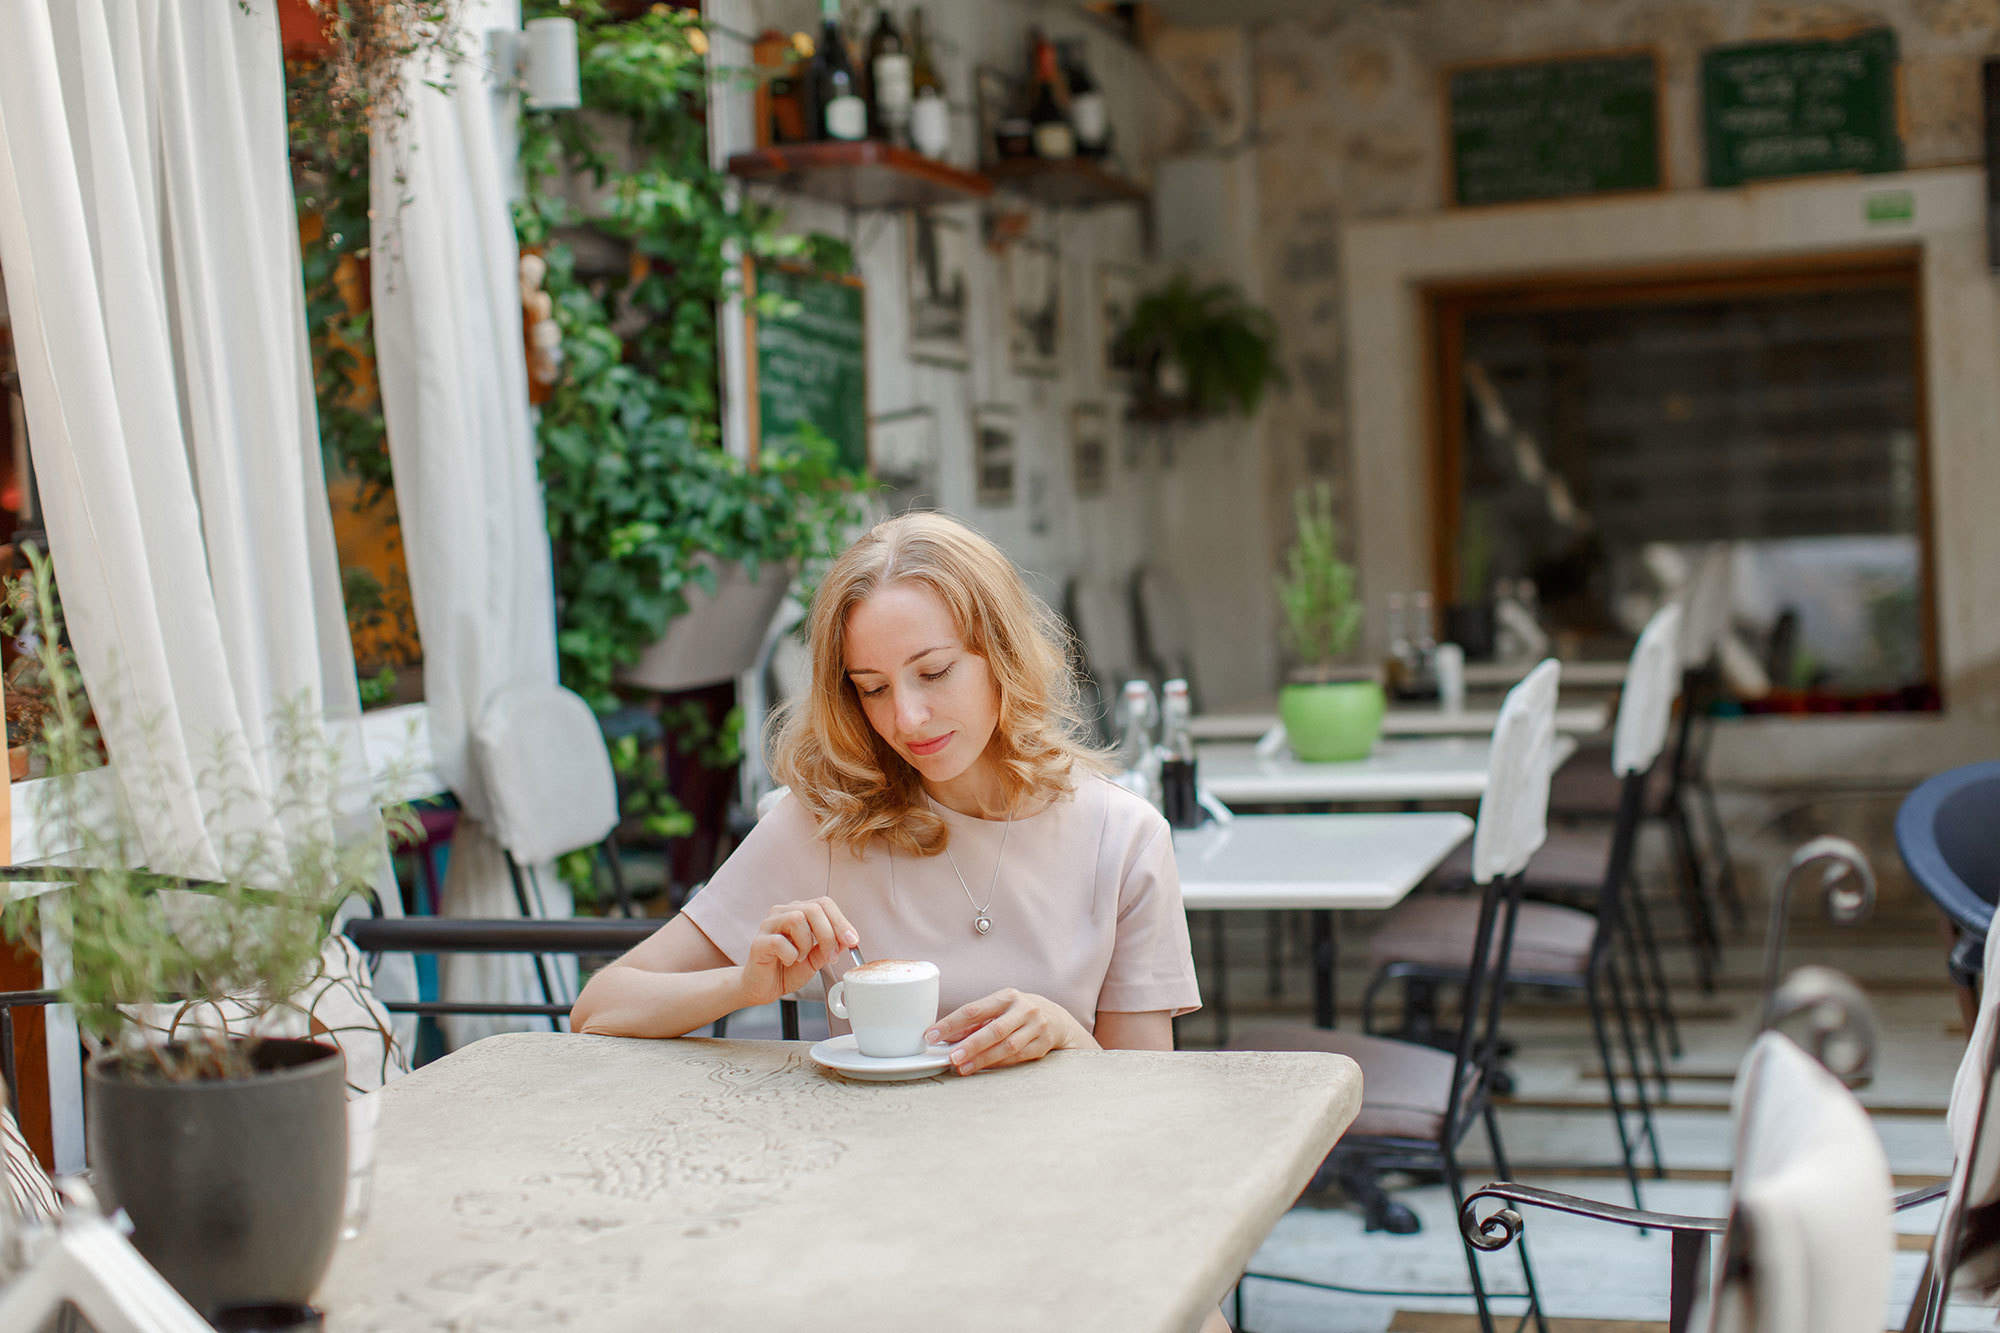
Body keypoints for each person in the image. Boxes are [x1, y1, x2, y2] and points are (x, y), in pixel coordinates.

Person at [570, 510, 1201, 1076]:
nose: (907, 718)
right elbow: (599, 1008)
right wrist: (746, 984)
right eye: (873, 688)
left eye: (933, 672)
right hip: (872, 1179)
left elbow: (1146, 1101)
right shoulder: (829, 823)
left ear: (1002, 655)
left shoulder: (1124, 839)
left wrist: (1065, 1035)